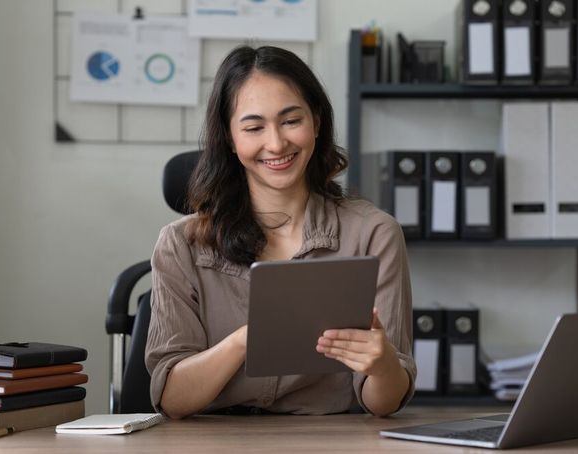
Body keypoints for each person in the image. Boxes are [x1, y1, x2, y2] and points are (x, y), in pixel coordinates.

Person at [145, 45, 416, 419]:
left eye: (291, 121)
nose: (276, 143)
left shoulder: (374, 233)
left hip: (326, 441)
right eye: (254, 128)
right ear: (228, 137)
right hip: (213, 441)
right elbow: (172, 399)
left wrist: (383, 363)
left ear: (316, 121)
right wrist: (246, 340)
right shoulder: (180, 245)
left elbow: (383, 404)